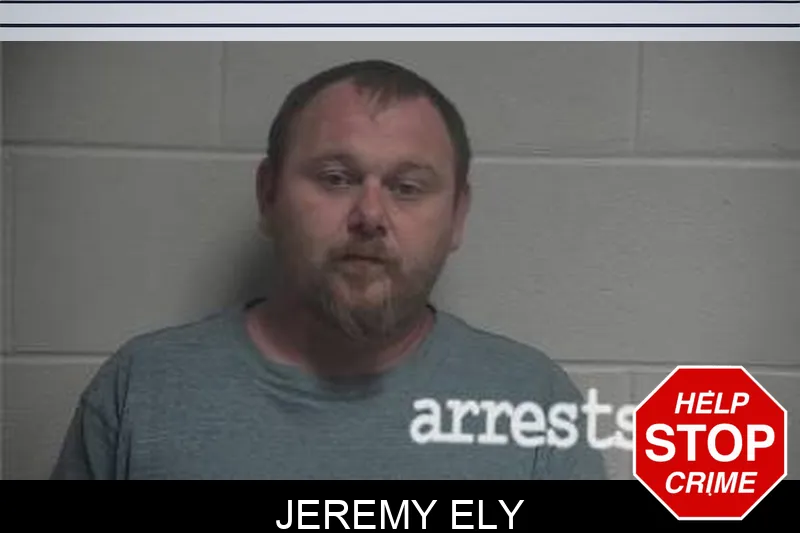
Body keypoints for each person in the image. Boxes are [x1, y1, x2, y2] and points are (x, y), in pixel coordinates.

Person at [51, 60, 607, 480]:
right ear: (269, 195)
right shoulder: (141, 390)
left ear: (457, 216)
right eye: (336, 178)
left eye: (407, 187)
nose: (370, 215)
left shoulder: (533, 402)